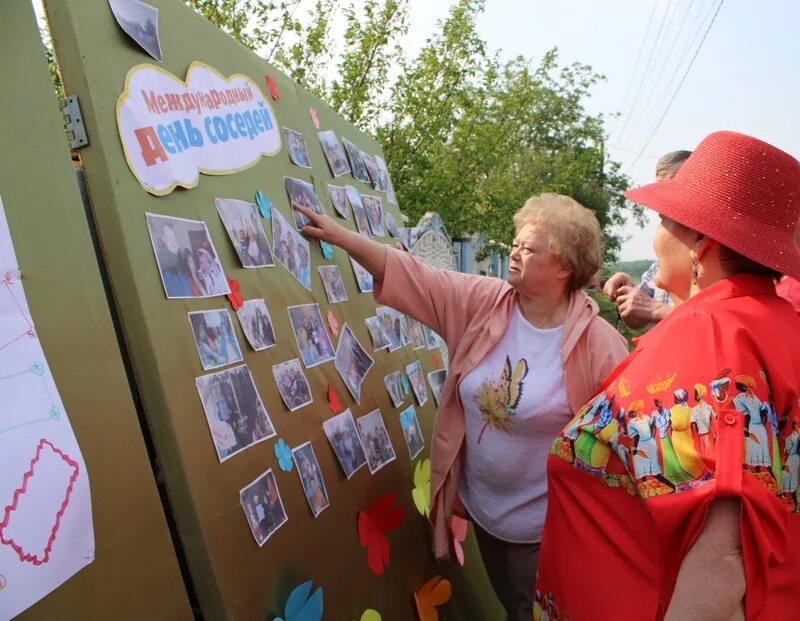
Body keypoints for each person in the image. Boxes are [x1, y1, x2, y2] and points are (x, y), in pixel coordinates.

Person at [294, 193, 628, 621]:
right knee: (514, 605)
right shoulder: (483, 302)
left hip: (547, 529)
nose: (514, 251)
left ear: (564, 267)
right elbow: (414, 275)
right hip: (487, 514)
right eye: (516, 242)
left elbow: (626, 440)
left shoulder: (600, 345)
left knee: (540, 612)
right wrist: (341, 237)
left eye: (529, 248)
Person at [535, 131, 800, 620]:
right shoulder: (777, 323)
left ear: (701, 241)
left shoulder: (713, 336)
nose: (655, 238)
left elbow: (722, 563)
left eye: (662, 221)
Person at [604, 150, 693, 329]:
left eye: (673, 190)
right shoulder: (660, 264)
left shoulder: (720, 258)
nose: (664, 204)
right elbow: (636, 319)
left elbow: (719, 320)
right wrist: (628, 291)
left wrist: (657, 309)